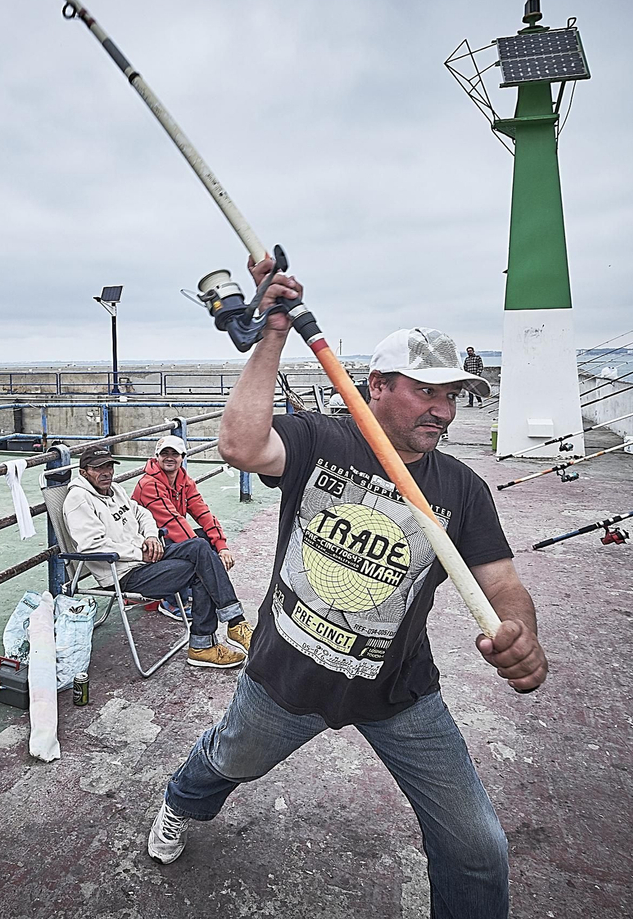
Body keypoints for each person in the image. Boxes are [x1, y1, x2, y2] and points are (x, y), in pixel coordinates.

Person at [145, 259, 546, 919]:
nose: (443, 410)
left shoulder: (461, 488)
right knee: (226, 761)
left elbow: (501, 581)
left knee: (478, 848)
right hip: (285, 678)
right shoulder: (319, 440)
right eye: (427, 391)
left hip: (399, 693)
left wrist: (521, 631)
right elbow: (240, 446)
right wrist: (273, 333)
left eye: (452, 396)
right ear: (377, 386)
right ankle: (178, 804)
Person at [62, 443, 252, 669]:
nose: (106, 473)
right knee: (203, 567)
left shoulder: (115, 490)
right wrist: (140, 552)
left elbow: (143, 514)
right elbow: (91, 546)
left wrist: (151, 537)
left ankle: (232, 624)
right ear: (83, 472)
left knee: (200, 547)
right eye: (97, 468)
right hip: (123, 572)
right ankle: (208, 642)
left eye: (109, 467)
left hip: (144, 557)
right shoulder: (78, 499)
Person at [132, 435, 235, 622]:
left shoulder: (184, 480)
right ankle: (171, 602)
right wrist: (202, 552)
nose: (169, 458)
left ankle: (199, 590)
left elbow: (203, 513)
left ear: (183, 457)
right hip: (146, 546)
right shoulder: (149, 485)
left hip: (166, 539)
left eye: (174, 454)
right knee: (193, 546)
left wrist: (222, 547)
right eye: (164, 453)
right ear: (156, 457)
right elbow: (173, 523)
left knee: (206, 539)